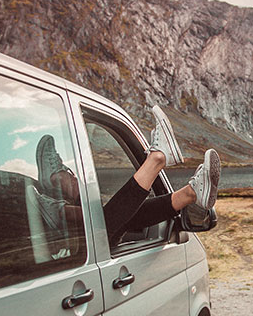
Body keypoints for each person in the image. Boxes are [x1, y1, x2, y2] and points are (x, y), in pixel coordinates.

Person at [32, 105, 220, 249]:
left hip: (89, 247)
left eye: (70, 175)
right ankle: (157, 161)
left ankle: (190, 193)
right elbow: (104, 226)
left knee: (121, 215)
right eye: (69, 175)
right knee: (109, 218)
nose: (76, 178)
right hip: (88, 248)